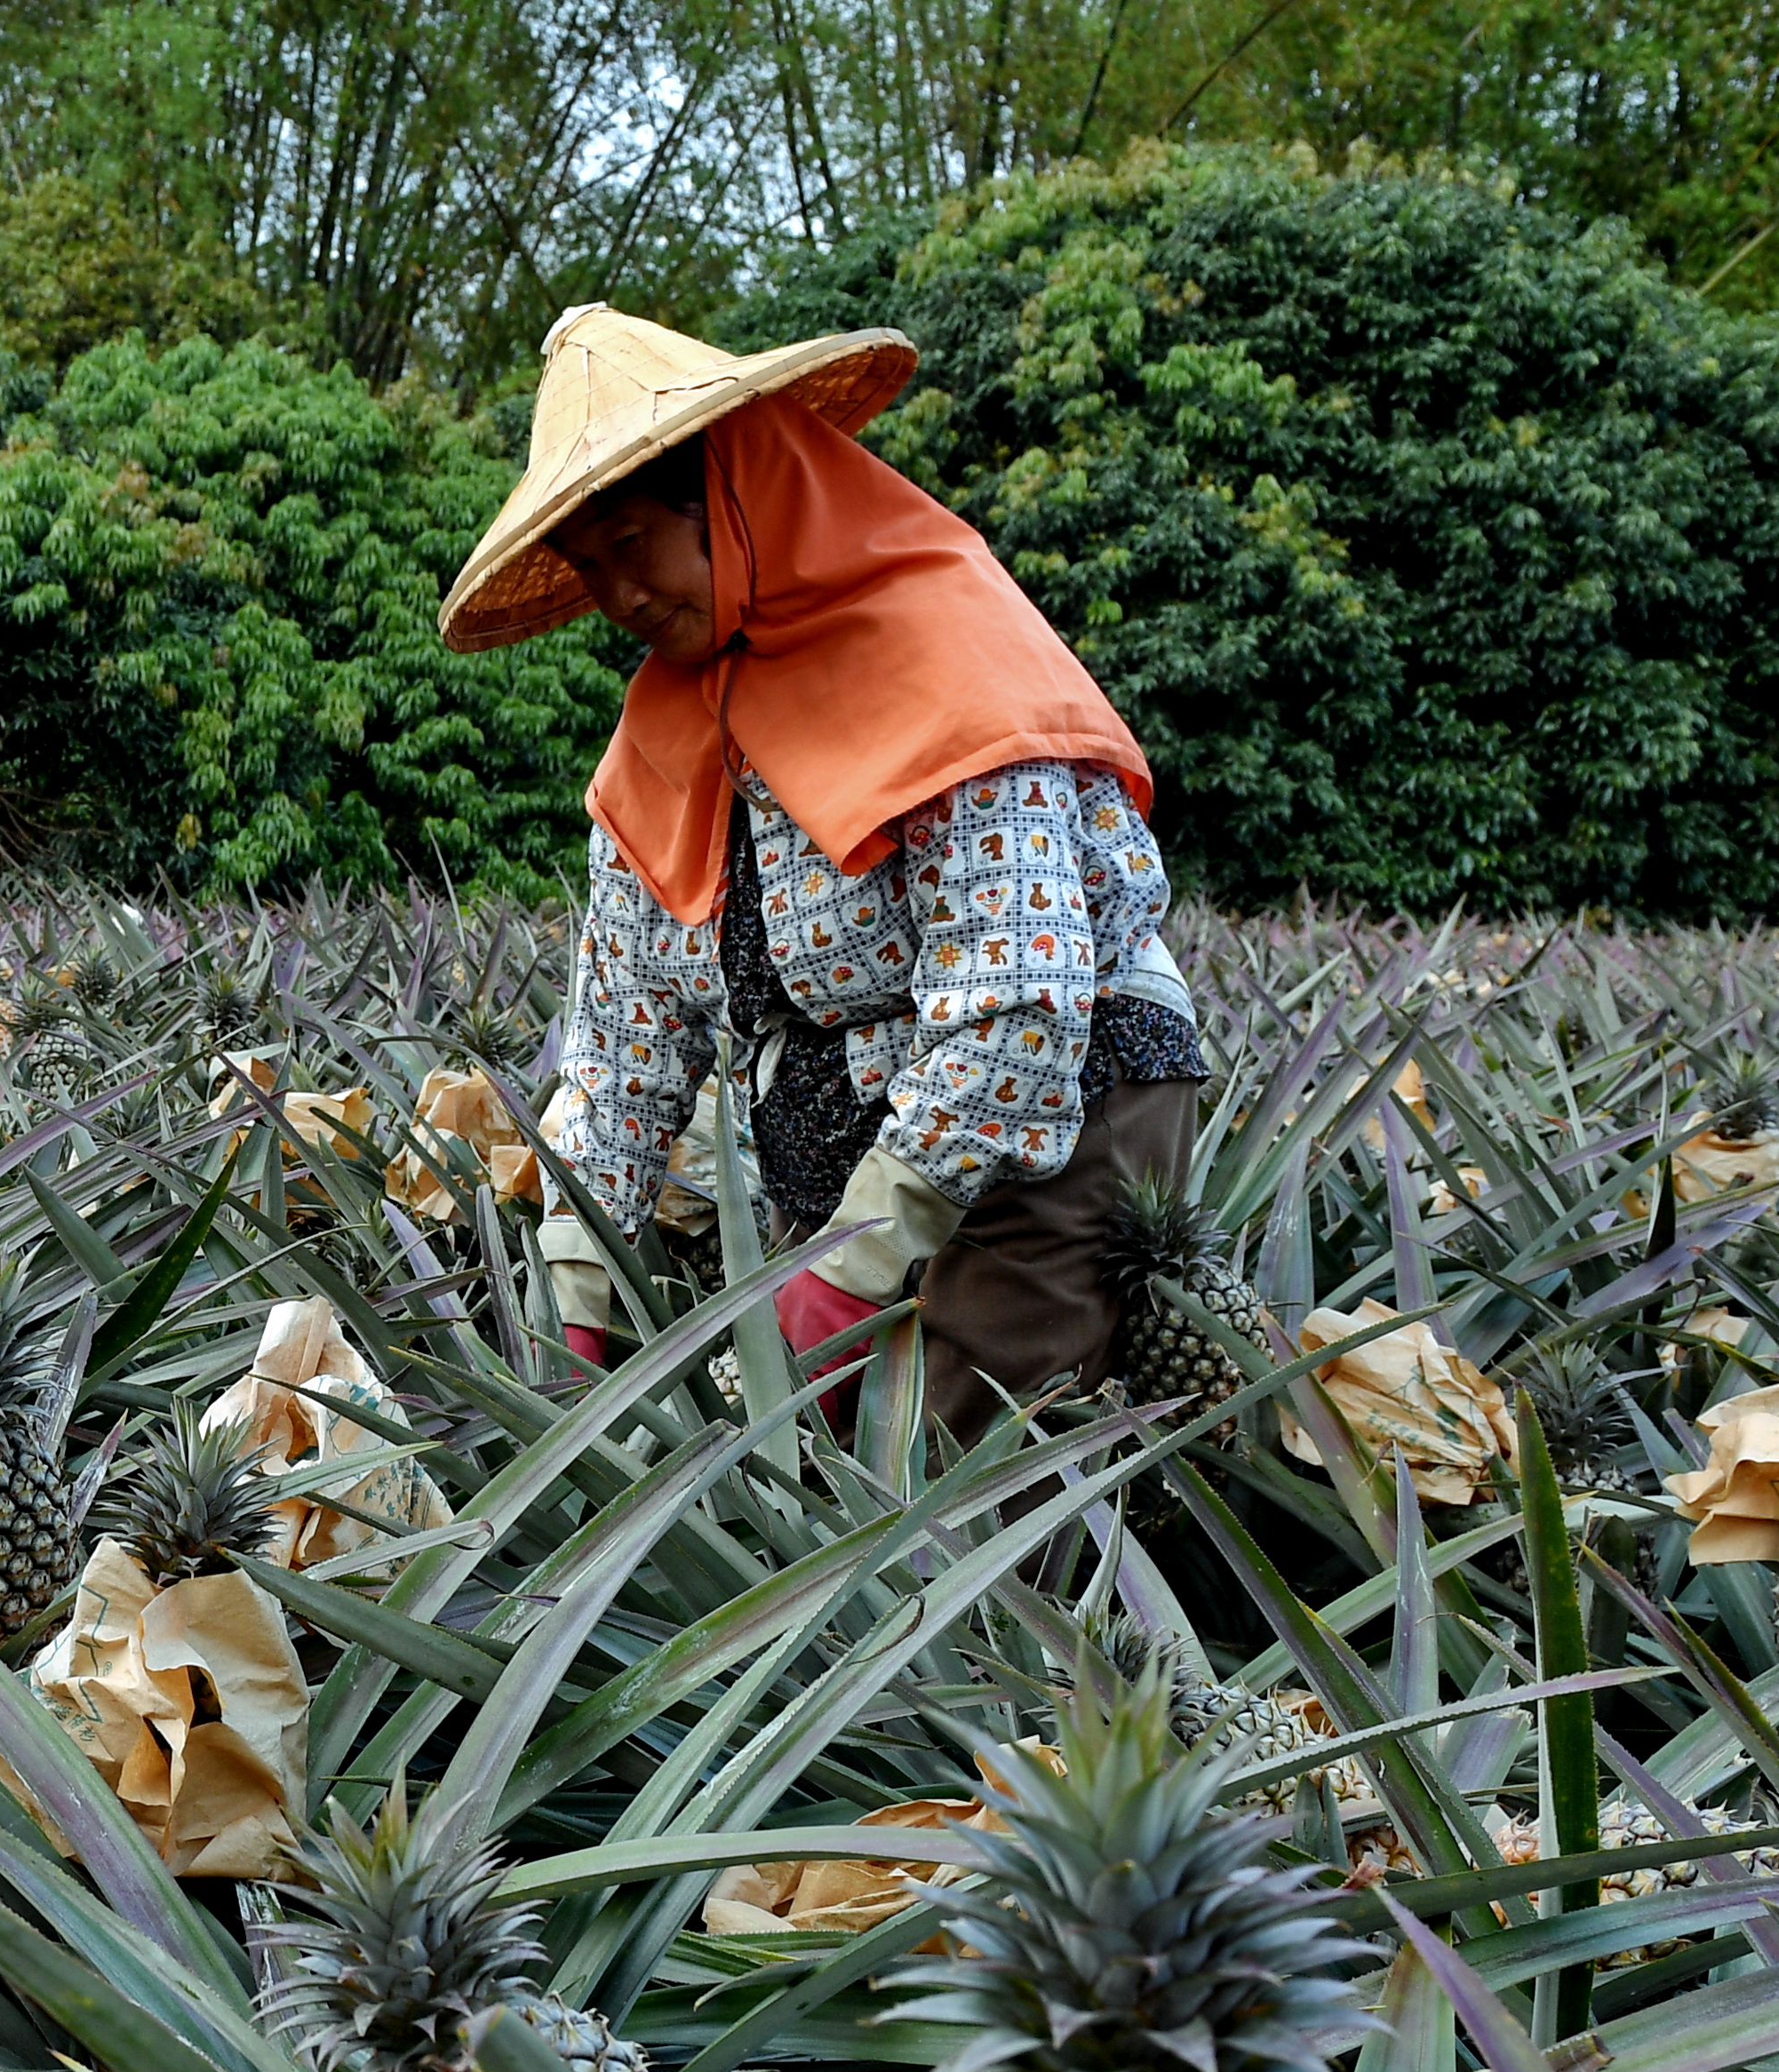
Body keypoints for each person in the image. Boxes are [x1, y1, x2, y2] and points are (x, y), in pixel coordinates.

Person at [443, 303, 1206, 1437]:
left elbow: (1021, 998)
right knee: (809, 1467)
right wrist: (576, 1285)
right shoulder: (664, 731)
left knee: (948, 1469)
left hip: (1057, 1100)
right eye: (586, 565)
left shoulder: (944, 651)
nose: (617, 597)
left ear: (735, 503)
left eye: (634, 544)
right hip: (849, 1146)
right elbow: (617, 1044)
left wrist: (861, 1248)